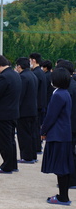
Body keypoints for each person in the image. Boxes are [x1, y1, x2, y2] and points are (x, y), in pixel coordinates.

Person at [41, 67, 74, 206]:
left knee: (60, 168)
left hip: (58, 135)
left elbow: (51, 116)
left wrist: (43, 131)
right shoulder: (64, 93)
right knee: (63, 167)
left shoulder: (58, 95)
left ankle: (63, 197)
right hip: (64, 134)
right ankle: (62, 195)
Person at [0, 55, 21, 174]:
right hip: (13, 112)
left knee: (4, 141)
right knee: (11, 140)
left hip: (3, 114)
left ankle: (7, 165)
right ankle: (12, 163)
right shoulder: (15, 74)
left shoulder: (3, 77)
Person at [56, 60, 76, 189]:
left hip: (70, 125)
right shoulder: (72, 85)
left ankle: (71, 180)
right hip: (71, 124)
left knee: (69, 154)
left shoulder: (68, 88)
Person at [15, 57, 38, 164]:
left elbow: (20, 95)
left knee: (24, 135)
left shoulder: (23, 77)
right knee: (31, 134)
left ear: (19, 66)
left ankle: (26, 156)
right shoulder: (33, 75)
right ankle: (32, 155)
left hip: (24, 111)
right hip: (33, 109)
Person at [29, 53, 47, 154]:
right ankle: (37, 146)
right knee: (37, 127)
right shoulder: (41, 72)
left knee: (35, 128)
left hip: (36, 104)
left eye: (30, 60)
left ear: (34, 60)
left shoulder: (35, 73)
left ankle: (36, 147)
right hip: (41, 103)